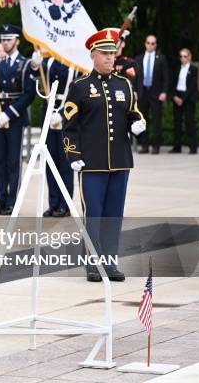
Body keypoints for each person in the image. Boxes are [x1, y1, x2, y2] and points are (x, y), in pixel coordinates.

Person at [63, 28, 145, 282]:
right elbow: (70, 127)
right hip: (92, 163)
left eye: (112, 53)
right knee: (94, 214)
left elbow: (133, 112)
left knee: (113, 214)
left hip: (120, 162)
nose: (110, 58)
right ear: (93, 56)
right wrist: (72, 154)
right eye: (104, 54)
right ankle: (92, 262)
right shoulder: (80, 87)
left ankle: (109, 262)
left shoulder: (125, 85)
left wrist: (138, 123)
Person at [0, 24, 38, 215]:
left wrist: (10, 112)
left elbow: (29, 94)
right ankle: (1, 201)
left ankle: (13, 202)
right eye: (3, 39)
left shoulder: (24, 64)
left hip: (14, 117)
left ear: (17, 41)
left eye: (9, 39)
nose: (5, 43)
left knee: (13, 161)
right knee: (0, 161)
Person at [34, 48, 76, 217]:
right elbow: (35, 75)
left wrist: (62, 112)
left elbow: (77, 93)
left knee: (64, 162)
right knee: (50, 160)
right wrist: (34, 64)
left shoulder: (75, 65)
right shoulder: (49, 62)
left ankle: (65, 204)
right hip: (48, 112)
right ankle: (53, 202)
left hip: (66, 114)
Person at [135, 35, 168, 154]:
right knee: (142, 120)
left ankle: (156, 146)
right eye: (148, 43)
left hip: (156, 93)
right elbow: (135, 77)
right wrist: (135, 92)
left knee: (156, 120)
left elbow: (165, 77)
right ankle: (144, 145)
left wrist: (164, 91)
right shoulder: (138, 58)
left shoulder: (161, 58)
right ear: (145, 44)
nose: (150, 45)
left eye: (153, 43)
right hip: (142, 93)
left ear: (156, 45)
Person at [170, 48, 199, 154]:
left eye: (185, 56)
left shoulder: (194, 69)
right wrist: (174, 96)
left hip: (188, 98)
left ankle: (193, 147)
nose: (182, 58)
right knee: (177, 123)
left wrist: (183, 99)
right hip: (178, 96)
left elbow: (192, 86)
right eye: (181, 56)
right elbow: (172, 84)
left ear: (190, 57)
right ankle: (177, 147)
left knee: (189, 122)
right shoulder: (177, 68)